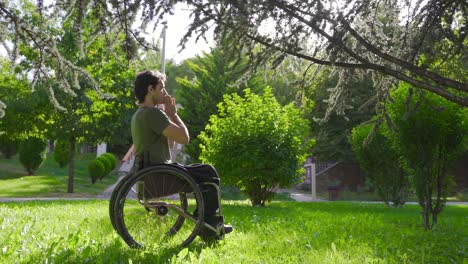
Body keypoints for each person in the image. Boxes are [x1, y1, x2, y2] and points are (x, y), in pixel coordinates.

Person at [130, 70, 233, 238]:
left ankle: (205, 221)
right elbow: (184, 138)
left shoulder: (138, 115)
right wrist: (173, 114)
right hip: (161, 175)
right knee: (208, 172)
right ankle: (211, 225)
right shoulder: (153, 113)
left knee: (201, 171)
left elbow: (170, 141)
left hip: (147, 176)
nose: (165, 93)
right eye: (162, 88)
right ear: (151, 90)